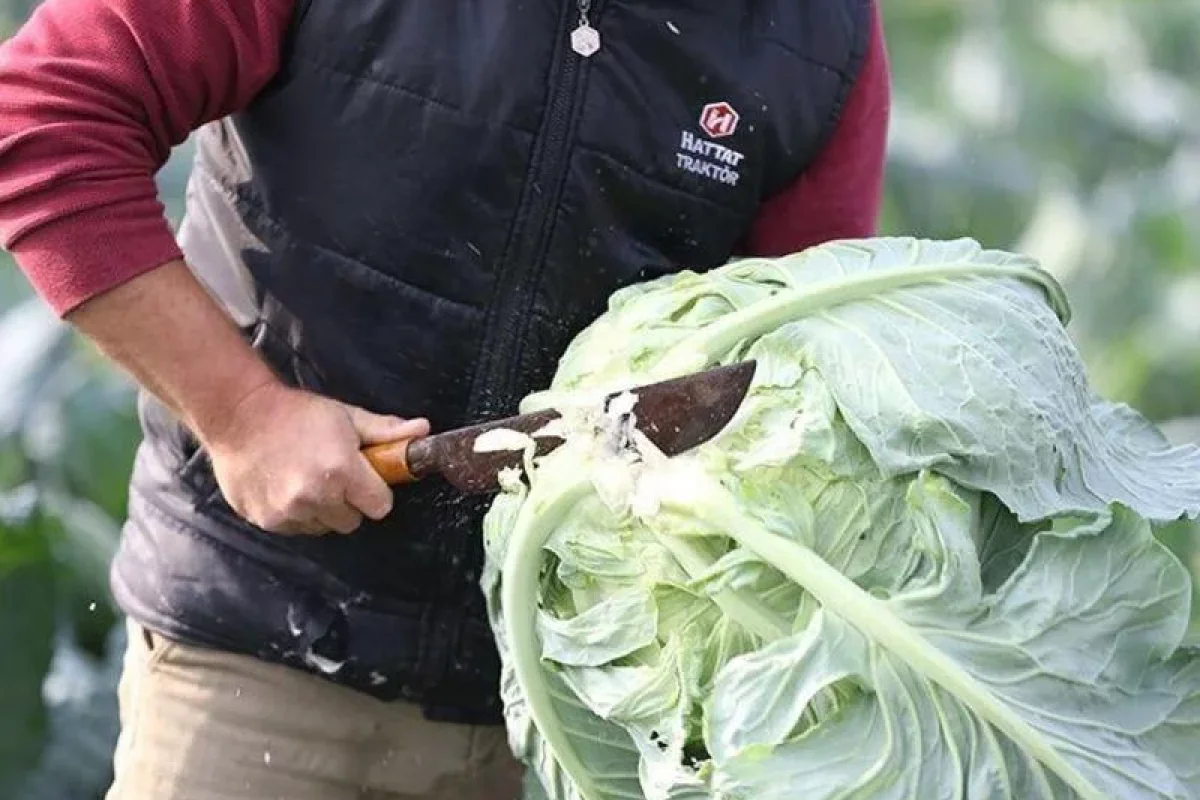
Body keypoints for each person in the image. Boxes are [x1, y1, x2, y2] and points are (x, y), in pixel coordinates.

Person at [0, 0, 891, 797]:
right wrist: (242, 416)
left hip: (562, 722)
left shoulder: (821, 33)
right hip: (257, 660)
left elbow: (788, 374)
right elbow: (43, 117)